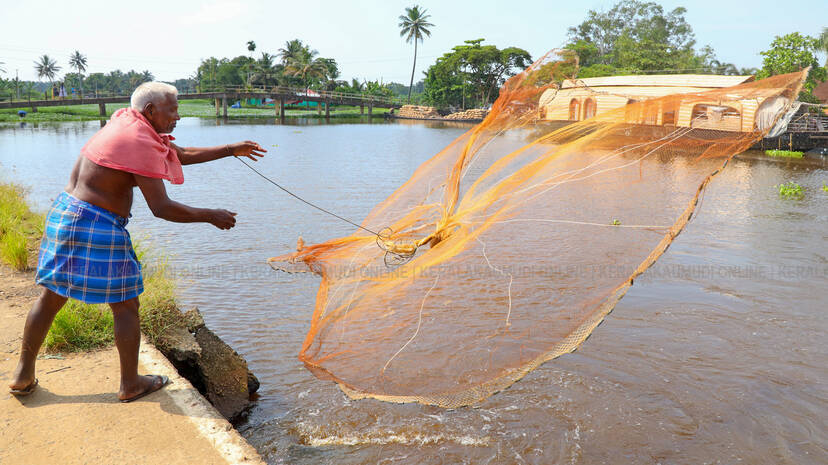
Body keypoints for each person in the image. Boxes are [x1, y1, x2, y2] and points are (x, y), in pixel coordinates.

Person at [8, 82, 266, 402]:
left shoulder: (126, 124)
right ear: (151, 111)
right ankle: (130, 384)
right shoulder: (139, 141)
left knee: (51, 297)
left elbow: (177, 154)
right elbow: (162, 208)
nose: (178, 116)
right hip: (98, 223)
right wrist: (210, 215)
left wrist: (230, 149)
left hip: (66, 214)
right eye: (173, 109)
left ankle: (22, 374)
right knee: (127, 304)